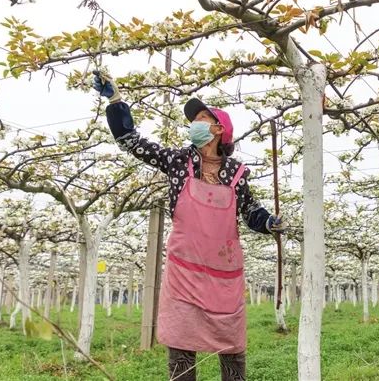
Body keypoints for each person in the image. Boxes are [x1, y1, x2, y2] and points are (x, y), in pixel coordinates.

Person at [92, 71, 285, 381]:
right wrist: (115, 101)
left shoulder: (237, 172)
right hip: (184, 272)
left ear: (220, 129)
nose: (194, 124)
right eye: (193, 119)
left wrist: (268, 222)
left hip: (224, 275)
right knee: (181, 349)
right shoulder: (179, 161)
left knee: (232, 348)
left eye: (202, 118)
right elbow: (132, 142)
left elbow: (248, 209)